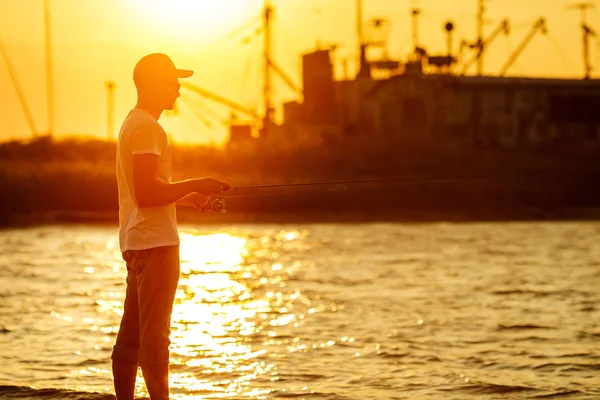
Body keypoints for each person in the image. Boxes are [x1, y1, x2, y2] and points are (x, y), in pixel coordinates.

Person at [111, 53, 231, 400]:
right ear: (153, 83)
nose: (178, 90)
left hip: (136, 243)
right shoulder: (149, 127)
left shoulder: (132, 123)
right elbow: (148, 194)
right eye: (172, 82)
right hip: (157, 247)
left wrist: (190, 197)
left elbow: (144, 191)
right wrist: (199, 182)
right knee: (155, 340)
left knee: (130, 338)